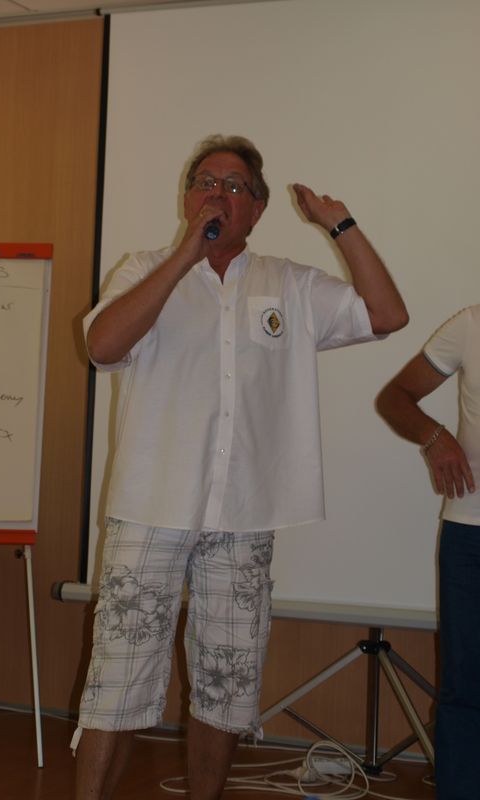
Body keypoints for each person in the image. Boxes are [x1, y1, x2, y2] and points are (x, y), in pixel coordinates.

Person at [74, 134, 408, 800]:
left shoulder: (289, 283)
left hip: (244, 516)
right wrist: (185, 257)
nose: (216, 194)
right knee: (117, 679)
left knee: (225, 684)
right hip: (150, 510)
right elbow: (102, 346)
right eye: (204, 182)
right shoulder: (144, 268)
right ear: (187, 200)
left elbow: (386, 314)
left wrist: (340, 224)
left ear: (257, 209)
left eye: (233, 186)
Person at [376, 306, 478, 800]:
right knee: (466, 689)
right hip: (472, 537)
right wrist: (435, 438)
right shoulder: (472, 325)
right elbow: (395, 397)